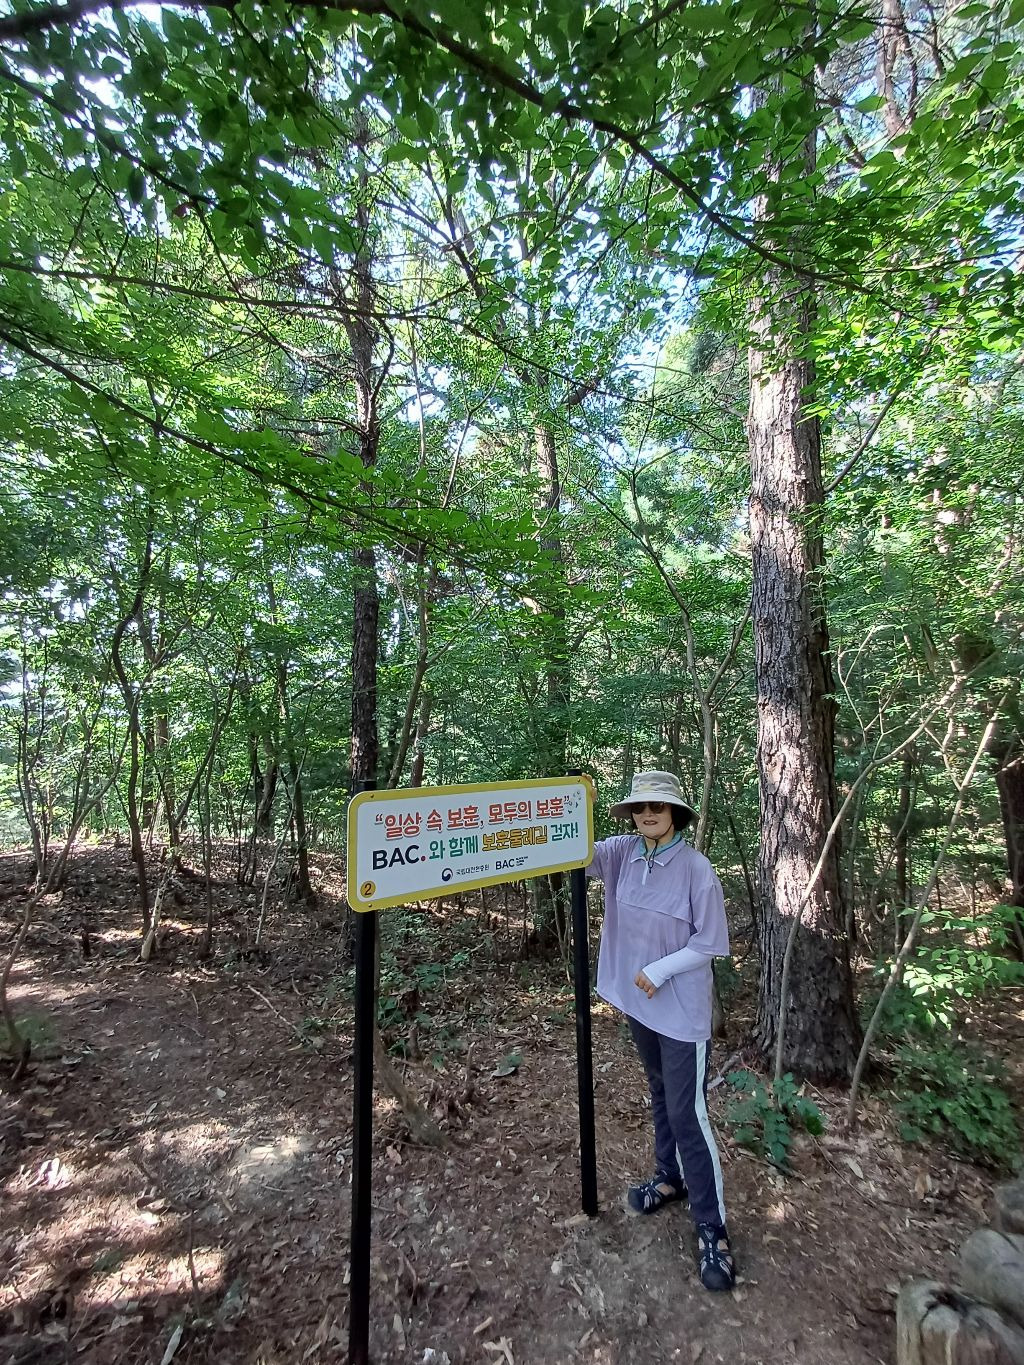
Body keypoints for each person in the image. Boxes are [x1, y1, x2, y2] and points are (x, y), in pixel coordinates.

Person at [587, 770, 736, 1293]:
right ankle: (669, 1177)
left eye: (657, 806)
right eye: (640, 807)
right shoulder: (621, 854)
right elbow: (572, 851)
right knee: (659, 1092)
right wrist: (568, 805)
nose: (648, 814)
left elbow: (710, 941)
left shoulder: (696, 869)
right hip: (639, 1006)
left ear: (675, 813)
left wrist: (660, 969)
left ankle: (713, 1229)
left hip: (681, 1012)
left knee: (687, 1112)